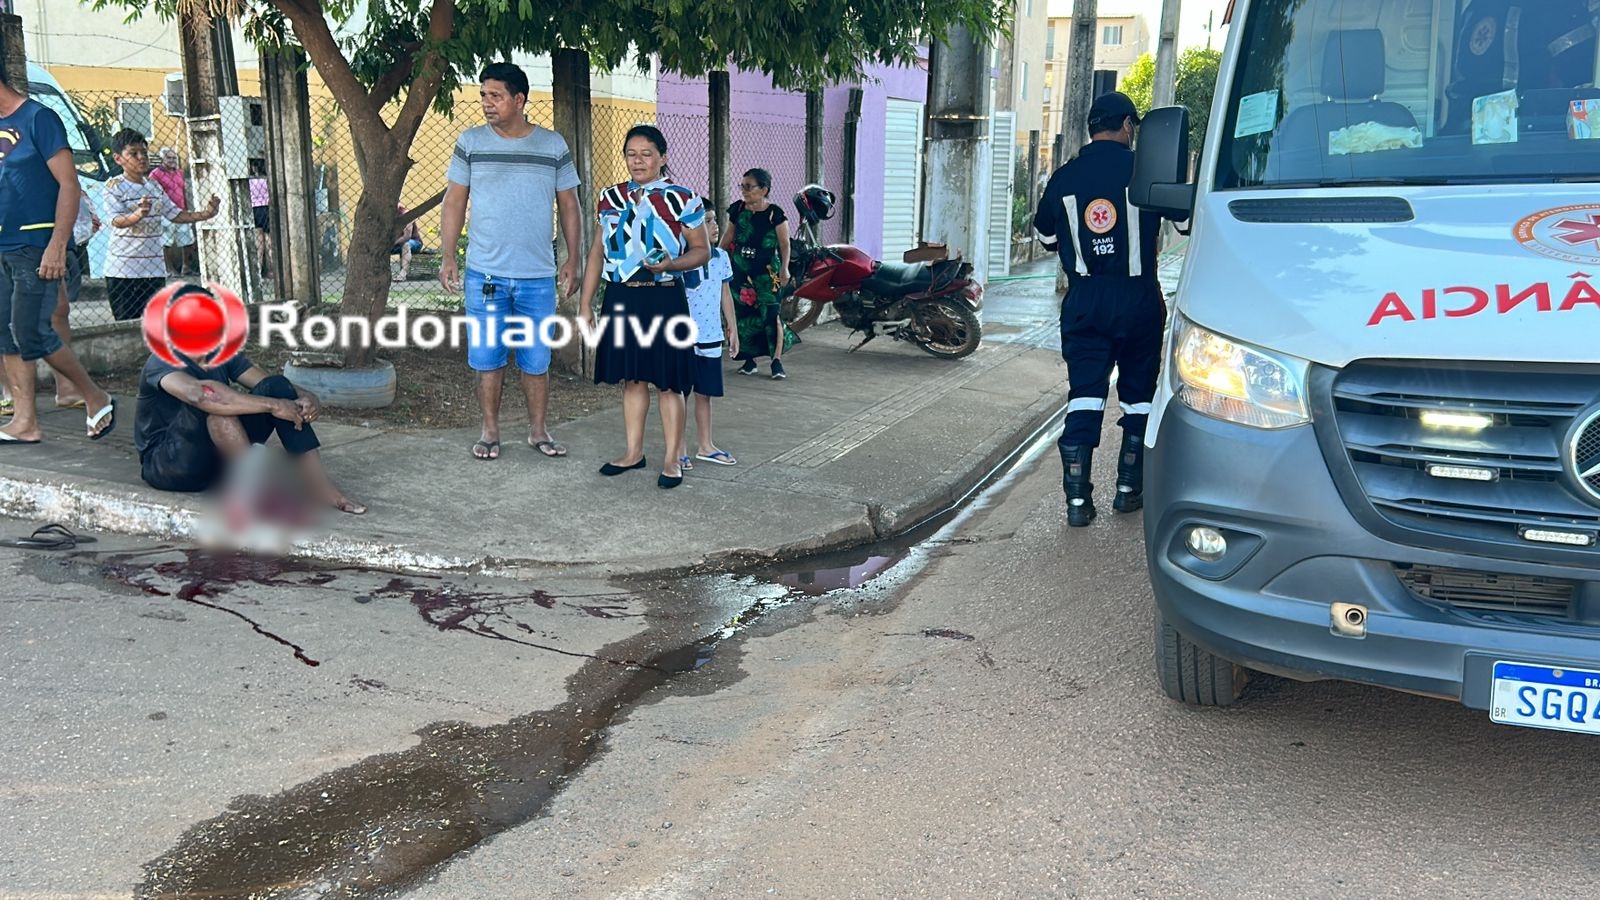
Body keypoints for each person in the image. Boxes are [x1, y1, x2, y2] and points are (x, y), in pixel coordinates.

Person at [1032, 92, 1169, 527]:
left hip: (1085, 300)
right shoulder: (1146, 173)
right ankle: (1128, 491)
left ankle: (1077, 502)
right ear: (1128, 126)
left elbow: (1046, 239)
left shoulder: (1064, 177)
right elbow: (1185, 223)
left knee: (1085, 395)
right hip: (1138, 298)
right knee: (1138, 398)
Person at [439, 61, 582, 462]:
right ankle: (489, 432)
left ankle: (539, 432)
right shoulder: (471, 142)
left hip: (538, 275)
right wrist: (448, 255)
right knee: (488, 358)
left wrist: (571, 258)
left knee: (537, 360)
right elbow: (455, 201)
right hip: (484, 274)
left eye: (496, 96)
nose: (487, 103)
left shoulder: (552, 145)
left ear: (519, 99)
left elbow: (569, 205)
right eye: (484, 95)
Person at [132, 284, 365, 515]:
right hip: (169, 466)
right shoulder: (161, 360)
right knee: (215, 406)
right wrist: (274, 406)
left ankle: (319, 488)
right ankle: (258, 492)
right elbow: (200, 395)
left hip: (215, 464)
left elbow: (269, 385)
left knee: (276, 386)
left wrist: (307, 397)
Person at [578, 125, 710, 490]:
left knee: (668, 382)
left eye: (647, 154)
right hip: (623, 296)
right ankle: (633, 452)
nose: (638, 161)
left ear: (663, 158)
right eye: (631, 154)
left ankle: (672, 458)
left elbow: (702, 251)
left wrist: (670, 264)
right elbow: (598, 251)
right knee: (633, 378)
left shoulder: (684, 199)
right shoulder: (610, 197)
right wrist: (586, 303)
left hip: (665, 296)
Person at [0, 73, 117, 445]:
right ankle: (25, 422)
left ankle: (93, 395)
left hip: (35, 245)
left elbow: (69, 184)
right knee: (5, 334)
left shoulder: (38, 118)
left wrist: (57, 244)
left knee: (31, 331)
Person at [102, 128, 220, 321]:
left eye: (144, 153)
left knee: (154, 325)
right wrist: (138, 215)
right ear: (118, 159)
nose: (141, 158)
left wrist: (206, 214)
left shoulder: (153, 186)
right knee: (127, 327)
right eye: (133, 153)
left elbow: (175, 214)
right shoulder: (114, 187)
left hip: (153, 270)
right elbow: (117, 220)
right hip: (123, 271)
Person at [679, 205, 740, 471]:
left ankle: (706, 445)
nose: (714, 226)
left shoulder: (721, 258)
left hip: (712, 336)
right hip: (683, 337)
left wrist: (732, 328)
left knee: (705, 393)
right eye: (706, 221)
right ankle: (678, 449)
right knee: (679, 393)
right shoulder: (679, 261)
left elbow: (725, 294)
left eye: (715, 220)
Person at [724, 168, 795, 380]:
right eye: (742, 186)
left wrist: (784, 268)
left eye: (749, 187)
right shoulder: (737, 210)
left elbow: (784, 244)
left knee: (771, 314)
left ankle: (776, 361)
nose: (744, 191)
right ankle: (749, 361)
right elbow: (729, 235)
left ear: (764, 189)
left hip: (767, 272)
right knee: (745, 315)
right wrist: (715, 256)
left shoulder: (775, 213)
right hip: (741, 269)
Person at [149, 147, 197, 276]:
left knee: (187, 240)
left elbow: (183, 191)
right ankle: (169, 269)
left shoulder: (179, 172)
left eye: (174, 158)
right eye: (168, 158)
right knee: (167, 242)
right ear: (162, 159)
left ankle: (186, 267)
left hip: (181, 211)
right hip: (166, 213)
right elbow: (152, 193)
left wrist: (187, 209)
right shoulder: (155, 174)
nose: (172, 160)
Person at [249, 165, 271, 279]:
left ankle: (258, 269)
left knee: (259, 242)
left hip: (254, 209)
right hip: (266, 208)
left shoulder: (249, 181)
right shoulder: (267, 180)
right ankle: (271, 269)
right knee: (269, 240)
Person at [391, 204, 423, 282]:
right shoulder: (385, 214)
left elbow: (407, 237)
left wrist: (392, 243)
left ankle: (403, 274)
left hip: (413, 242)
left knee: (405, 244)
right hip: (394, 243)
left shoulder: (406, 214)